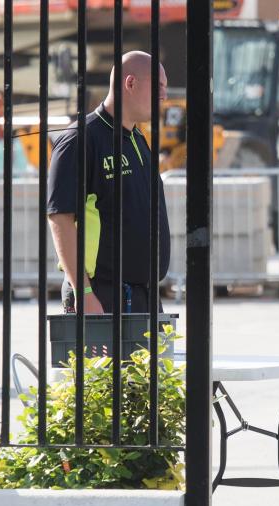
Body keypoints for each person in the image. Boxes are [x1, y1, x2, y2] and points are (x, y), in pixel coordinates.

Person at [47, 50, 170, 314]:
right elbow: (60, 217)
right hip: (100, 296)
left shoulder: (137, 138)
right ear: (130, 83)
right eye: (158, 86)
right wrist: (84, 292)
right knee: (104, 359)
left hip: (141, 294)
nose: (164, 96)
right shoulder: (81, 139)